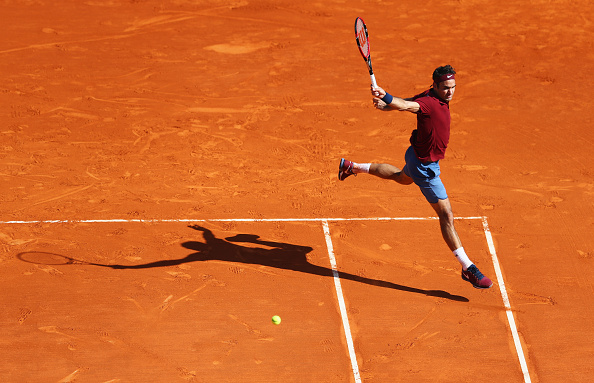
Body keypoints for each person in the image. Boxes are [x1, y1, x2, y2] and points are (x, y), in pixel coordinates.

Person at [338, 65, 493, 289]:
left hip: (415, 157)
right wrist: (388, 97)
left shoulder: (429, 96)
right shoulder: (430, 103)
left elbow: (410, 102)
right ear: (436, 86)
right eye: (446, 88)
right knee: (446, 215)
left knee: (401, 177)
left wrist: (387, 105)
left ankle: (352, 167)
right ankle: (468, 268)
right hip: (425, 168)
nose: (450, 92)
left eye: (453, 87)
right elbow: (408, 105)